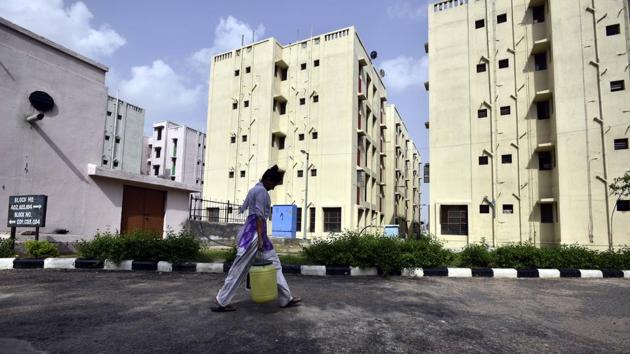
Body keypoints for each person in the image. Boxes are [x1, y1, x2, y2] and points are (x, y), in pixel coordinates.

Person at [211, 165, 301, 312]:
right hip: (253, 235)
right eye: (274, 184)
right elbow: (259, 216)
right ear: (268, 179)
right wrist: (259, 239)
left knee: (275, 264)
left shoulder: (255, 189)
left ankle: (286, 298)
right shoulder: (261, 192)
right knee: (239, 268)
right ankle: (221, 299)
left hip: (258, 234)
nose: (273, 188)